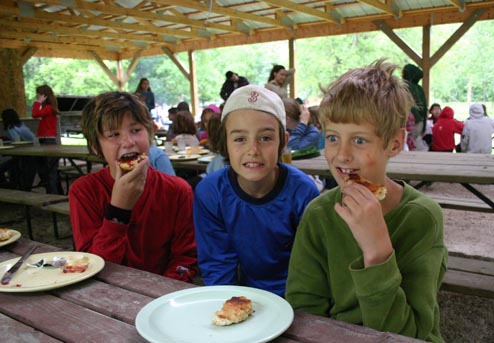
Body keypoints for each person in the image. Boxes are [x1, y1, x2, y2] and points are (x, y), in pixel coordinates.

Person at [285, 60, 447, 343]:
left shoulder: (421, 217)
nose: (342, 155)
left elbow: (411, 334)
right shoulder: (319, 214)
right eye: (333, 138)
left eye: (359, 141)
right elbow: (304, 311)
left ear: (394, 144)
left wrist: (377, 251)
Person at [193, 85, 319, 297]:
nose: (253, 150)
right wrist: (231, 305)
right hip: (241, 296)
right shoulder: (210, 193)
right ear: (225, 142)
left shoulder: (302, 192)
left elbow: (311, 267)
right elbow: (217, 265)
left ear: (284, 142)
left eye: (266, 138)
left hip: (296, 296)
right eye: (240, 139)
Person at [69, 91, 197, 282]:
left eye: (136, 130)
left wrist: (159, 293)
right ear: (96, 146)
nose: (129, 142)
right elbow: (91, 267)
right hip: (107, 293)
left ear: (149, 133)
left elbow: (185, 260)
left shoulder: (178, 190)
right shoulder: (84, 191)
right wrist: (118, 211)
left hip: (163, 294)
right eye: (114, 134)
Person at [32, 84, 62, 194]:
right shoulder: (47, 108)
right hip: (43, 139)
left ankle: (52, 194)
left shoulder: (49, 108)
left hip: (48, 140)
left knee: (50, 171)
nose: (37, 96)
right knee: (45, 170)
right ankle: (53, 191)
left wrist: (37, 102)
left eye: (39, 94)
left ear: (44, 96)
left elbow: (34, 114)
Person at [1, 108, 36, 189]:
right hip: (24, 156)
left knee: (10, 169)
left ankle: (9, 187)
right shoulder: (18, 127)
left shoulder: (14, 128)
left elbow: (18, 141)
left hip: (26, 157)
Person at [402, 64, 428, 151]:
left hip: (408, 123)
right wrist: (423, 124)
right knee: (414, 146)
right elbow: (424, 109)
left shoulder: (404, 86)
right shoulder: (420, 89)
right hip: (419, 123)